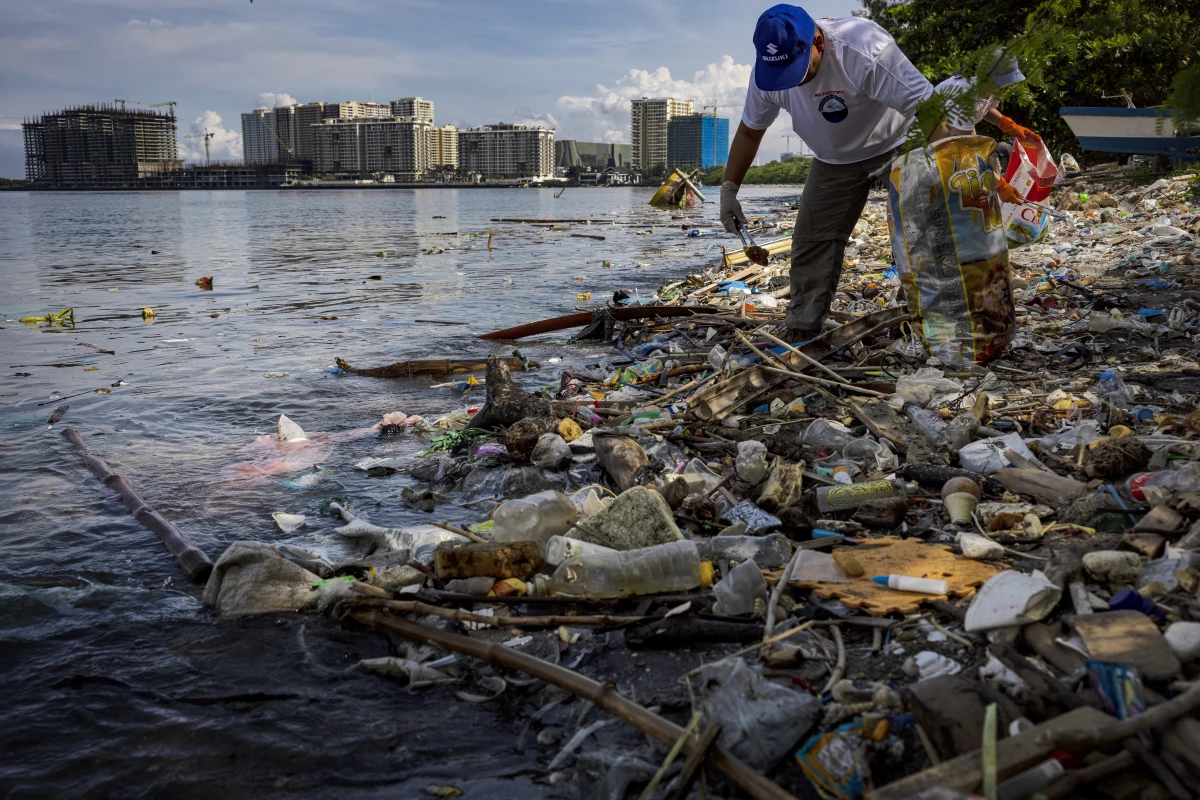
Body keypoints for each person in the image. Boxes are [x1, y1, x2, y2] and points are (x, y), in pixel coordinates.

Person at [720, 5, 943, 341]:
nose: (792, 83)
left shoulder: (864, 48)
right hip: (833, 159)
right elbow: (751, 130)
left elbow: (930, 109)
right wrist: (729, 190)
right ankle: (803, 328)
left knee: (917, 232)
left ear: (818, 43)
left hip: (899, 143)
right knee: (811, 242)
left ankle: (930, 317)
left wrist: (957, 169)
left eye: (797, 70)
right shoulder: (768, 70)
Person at [931, 49, 1035, 204]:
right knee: (947, 198)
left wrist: (1007, 124)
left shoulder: (990, 89)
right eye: (1003, 83)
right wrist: (999, 184)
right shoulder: (964, 94)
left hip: (952, 142)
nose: (1007, 88)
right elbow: (969, 151)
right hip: (929, 146)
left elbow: (985, 109)